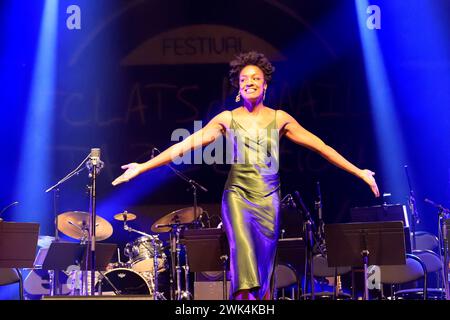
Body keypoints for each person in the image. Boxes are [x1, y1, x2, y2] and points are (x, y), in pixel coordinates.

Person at [112, 51, 380, 300]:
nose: (249, 82)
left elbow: (322, 147)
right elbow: (185, 145)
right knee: (244, 256)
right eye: (244, 79)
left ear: (265, 86)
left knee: (264, 268)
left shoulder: (280, 119)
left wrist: (359, 172)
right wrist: (142, 167)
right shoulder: (227, 119)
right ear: (238, 87)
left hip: (269, 198)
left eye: (255, 78)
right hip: (238, 196)